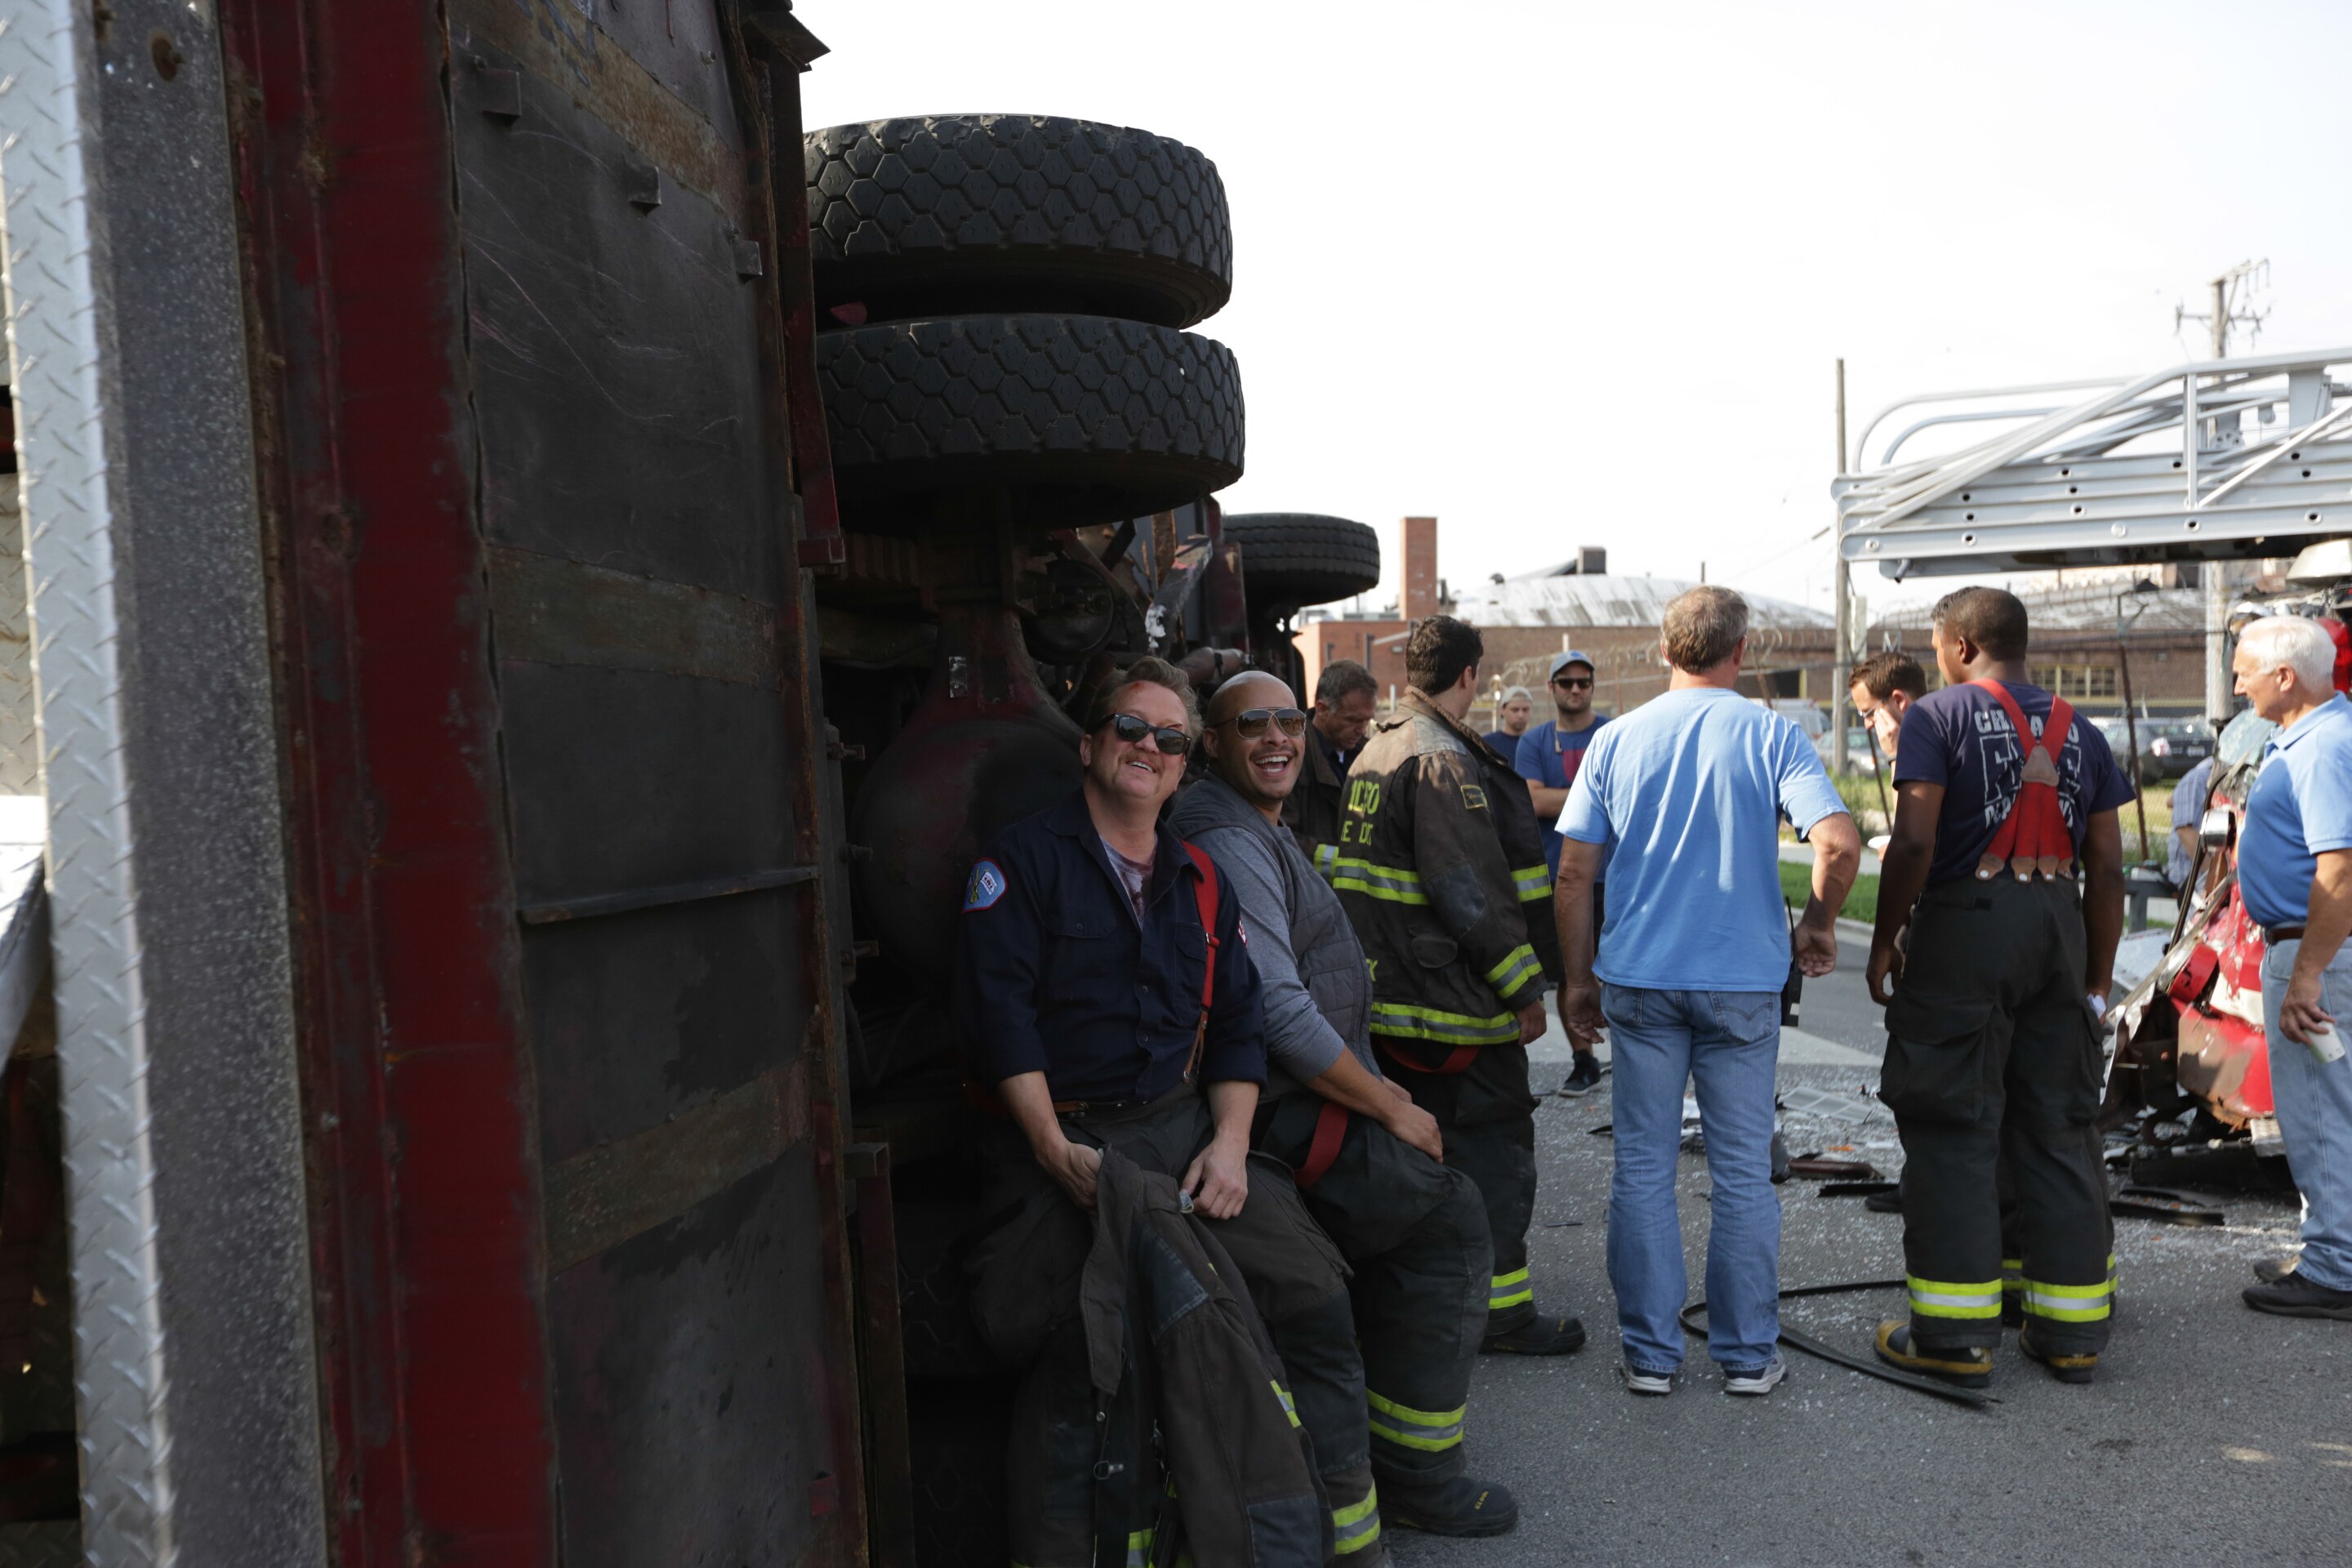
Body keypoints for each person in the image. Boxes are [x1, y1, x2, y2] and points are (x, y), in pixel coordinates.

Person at [954, 657, 1377, 1561]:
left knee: (1310, 1292)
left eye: (1170, 738)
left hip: (1182, 1128)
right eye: (1131, 730)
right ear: (1091, 745)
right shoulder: (1020, 865)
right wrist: (1050, 1147)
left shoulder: (1200, 878)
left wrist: (1229, 1148)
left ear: (1186, 766)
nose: (1150, 747)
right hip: (1065, 1139)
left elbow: (1234, 1030)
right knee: (1090, 1348)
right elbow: (1003, 1024)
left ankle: (1336, 1539)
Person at [1173, 670, 1519, 1543]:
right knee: (1446, 1219)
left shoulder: (1257, 824)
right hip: (1284, 1106)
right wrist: (1391, 1110)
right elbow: (1280, 1011)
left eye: (1288, 720)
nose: (1277, 738)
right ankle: (1417, 1472)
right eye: (1251, 724)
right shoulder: (1227, 834)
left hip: (1302, 1090)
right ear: (1212, 743)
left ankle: (1388, 1447)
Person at [1555, 587, 1858, 1396]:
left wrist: (1577, 978)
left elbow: (1576, 874)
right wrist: (1819, 925)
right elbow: (1838, 842)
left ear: (1663, 651)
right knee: (1741, 1176)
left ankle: (1651, 1357)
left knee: (1644, 1171)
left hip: (1642, 981)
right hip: (1742, 987)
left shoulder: (1616, 742)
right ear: (1742, 650)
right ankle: (1748, 1355)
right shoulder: (1770, 735)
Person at [1866, 587, 2132, 1388]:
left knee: (1953, 1120)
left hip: (1968, 926)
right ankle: (2071, 1333)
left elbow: (1913, 839)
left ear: (1960, 646)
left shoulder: (1936, 718)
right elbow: (2110, 865)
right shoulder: (2083, 731)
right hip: (2059, 923)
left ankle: (1953, 1336)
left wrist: (1885, 939)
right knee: (2058, 1125)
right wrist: (2091, 975)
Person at [1334, 616, 1585, 1356]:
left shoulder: (1375, 748)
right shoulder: (1440, 758)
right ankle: (1501, 1313)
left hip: (1391, 1004)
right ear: (1469, 675)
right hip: (1452, 1012)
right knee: (1495, 1154)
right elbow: (1467, 887)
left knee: (1411, 1156)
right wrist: (1522, 989)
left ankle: (1407, 1294)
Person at [2230, 616, 2352, 1321]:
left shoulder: (2323, 748)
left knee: (2319, 1108)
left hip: (2319, 950)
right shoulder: (2315, 737)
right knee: (2332, 1104)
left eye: (2244, 668)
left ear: (2286, 678)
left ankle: (2336, 1269)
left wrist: (2306, 973)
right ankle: (2333, 1250)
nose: (2237, 681)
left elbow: (2339, 871)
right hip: (2321, 948)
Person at [1517, 650, 1609, 1097]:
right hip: (1554, 877)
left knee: (1617, 971)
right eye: (1566, 682)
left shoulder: (1612, 733)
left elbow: (1623, 800)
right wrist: (1595, 796)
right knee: (1568, 973)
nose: (1576, 689)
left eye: (1583, 682)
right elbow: (1532, 802)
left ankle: (1633, 1060)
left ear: (1592, 687)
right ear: (1551, 688)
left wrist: (1561, 797)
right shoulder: (1534, 742)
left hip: (1612, 876)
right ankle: (1584, 1060)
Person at [1289, 658, 1378, 877]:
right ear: (1322, 709)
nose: (1362, 730)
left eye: (1367, 721)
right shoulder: (1291, 757)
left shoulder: (1371, 756)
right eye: (1353, 720)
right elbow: (1281, 835)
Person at [1848, 649, 1927, 768]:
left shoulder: (1935, 752)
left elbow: (1904, 787)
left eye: (1869, 712)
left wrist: (1895, 755)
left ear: (1899, 700)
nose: (1867, 724)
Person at [2167, 753, 2216, 892]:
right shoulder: (2200, 777)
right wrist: (2213, 877)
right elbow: (2186, 832)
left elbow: (2170, 801)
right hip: (2193, 878)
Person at [1482, 686, 1534, 755]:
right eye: (1515, 710)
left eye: (1525, 710)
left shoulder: (1537, 744)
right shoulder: (1488, 744)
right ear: (1503, 710)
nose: (1520, 715)